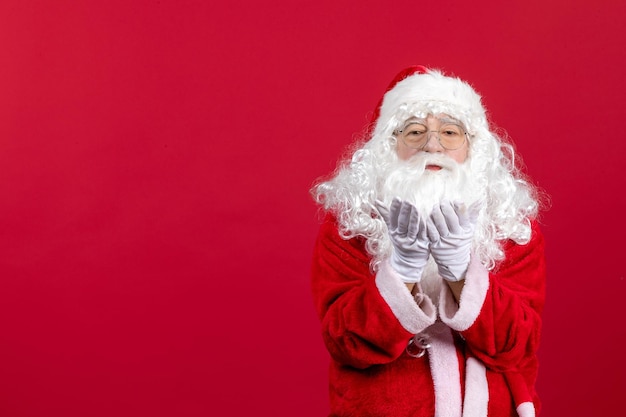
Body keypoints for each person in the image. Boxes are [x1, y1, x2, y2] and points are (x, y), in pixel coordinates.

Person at [310, 66, 547, 417]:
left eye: (450, 132)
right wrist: (402, 272)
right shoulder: (350, 225)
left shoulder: (511, 225)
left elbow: (517, 346)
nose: (432, 144)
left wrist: (460, 273)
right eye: (415, 131)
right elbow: (345, 344)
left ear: (474, 148)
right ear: (389, 146)